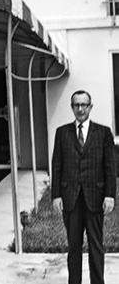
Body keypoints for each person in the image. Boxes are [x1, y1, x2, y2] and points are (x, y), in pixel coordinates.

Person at [51, 90, 116, 284]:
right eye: (76, 105)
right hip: (70, 199)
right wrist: (56, 195)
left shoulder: (103, 133)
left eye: (84, 105)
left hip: (94, 198)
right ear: (72, 107)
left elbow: (110, 167)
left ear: (90, 107)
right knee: (74, 248)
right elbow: (57, 165)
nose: (80, 109)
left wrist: (110, 195)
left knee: (96, 246)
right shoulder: (62, 133)